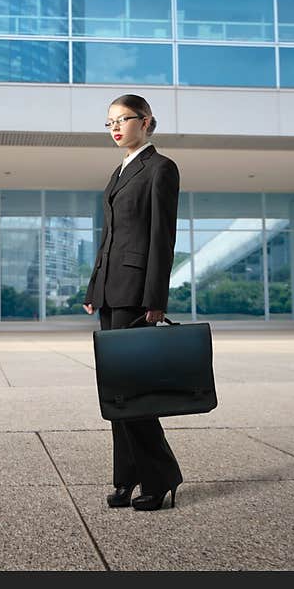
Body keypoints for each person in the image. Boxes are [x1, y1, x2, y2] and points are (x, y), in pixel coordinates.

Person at [82, 93, 184, 512]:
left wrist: (156, 298)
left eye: (124, 119)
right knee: (117, 392)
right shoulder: (118, 171)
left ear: (147, 122)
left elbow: (162, 236)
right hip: (111, 290)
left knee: (133, 392)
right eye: (110, 123)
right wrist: (94, 287)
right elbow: (108, 238)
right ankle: (127, 478)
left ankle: (159, 477)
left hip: (137, 294)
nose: (116, 128)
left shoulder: (161, 168)